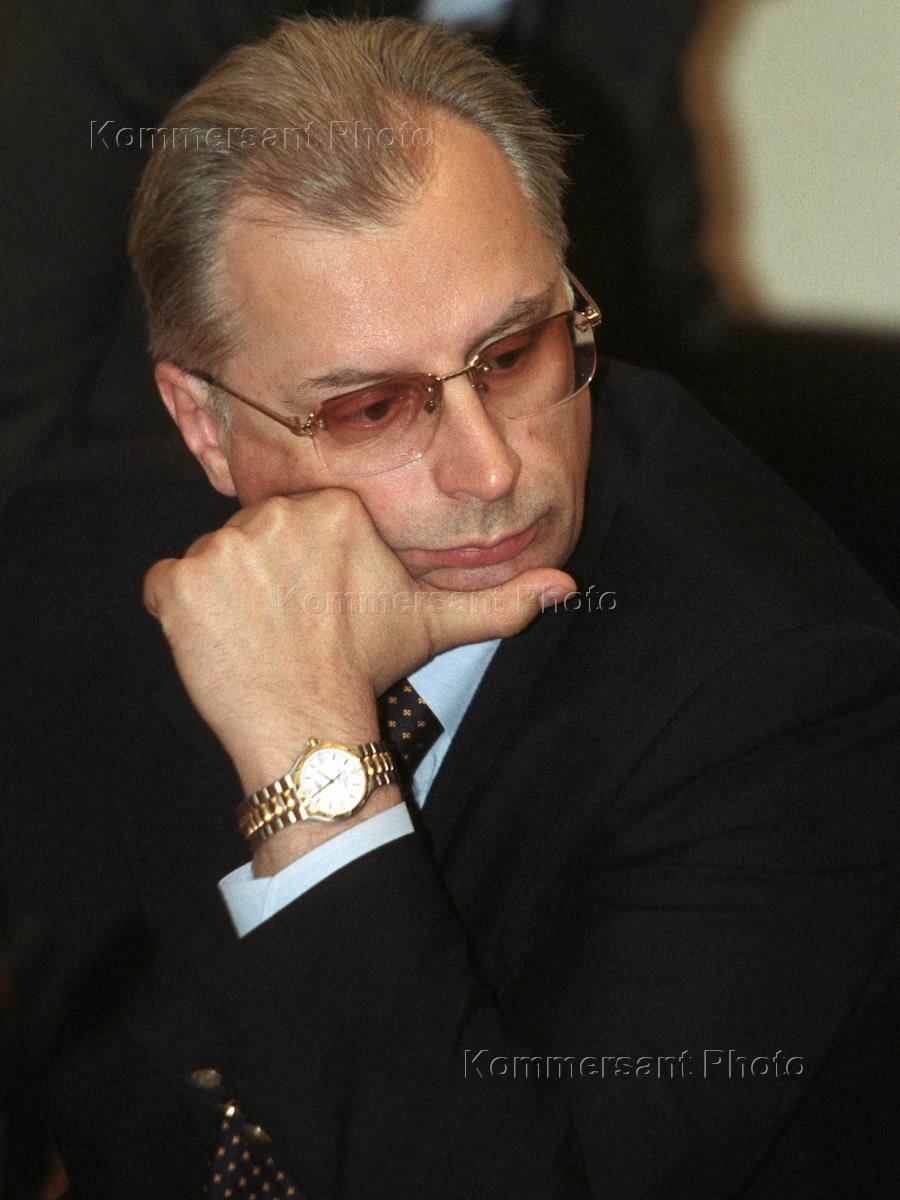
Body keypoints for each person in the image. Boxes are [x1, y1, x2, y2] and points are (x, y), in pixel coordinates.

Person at [1, 15, 898, 1200]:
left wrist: (307, 758)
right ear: (205, 427)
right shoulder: (66, 563)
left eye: (513, 354)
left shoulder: (785, 706)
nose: (491, 469)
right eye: (374, 409)